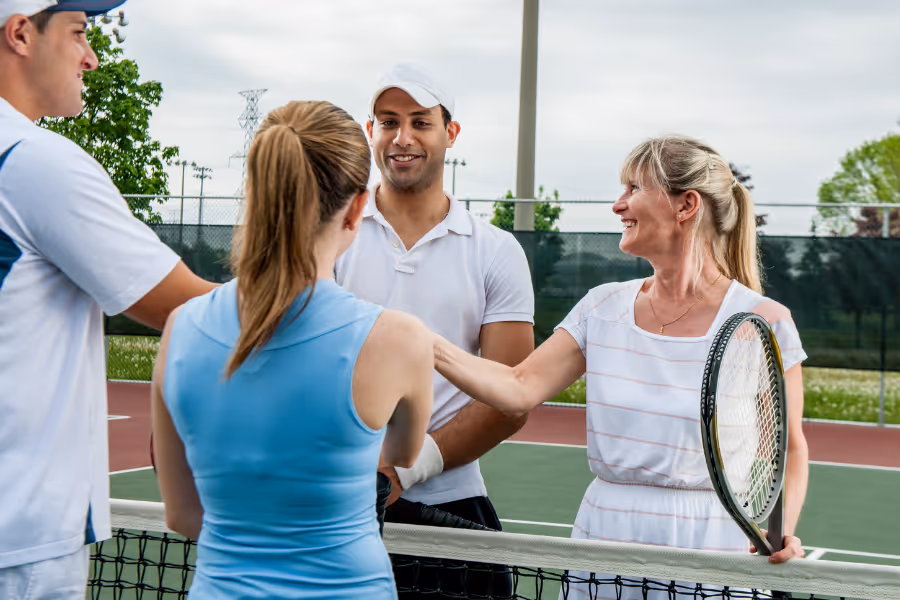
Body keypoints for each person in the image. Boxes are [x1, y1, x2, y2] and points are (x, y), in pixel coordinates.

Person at [432, 136, 810, 597]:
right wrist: (422, 343)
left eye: (633, 188)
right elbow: (518, 386)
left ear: (685, 205)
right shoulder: (601, 307)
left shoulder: (765, 321)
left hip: (716, 543)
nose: (618, 204)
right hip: (605, 536)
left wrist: (780, 529)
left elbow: (788, 450)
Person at [152, 100, 434, 599]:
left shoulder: (180, 328)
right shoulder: (400, 340)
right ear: (355, 208)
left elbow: (182, 515)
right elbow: (403, 454)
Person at [0, 2, 215, 597]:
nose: (91, 58)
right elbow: (193, 309)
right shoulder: (32, 161)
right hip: (21, 543)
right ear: (21, 32)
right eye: (78, 34)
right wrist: (359, 326)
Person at [335, 63, 535, 597]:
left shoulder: (496, 252)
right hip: (334, 508)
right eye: (388, 122)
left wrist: (408, 468)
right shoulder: (329, 235)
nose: (402, 138)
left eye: (420, 122)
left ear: (451, 133)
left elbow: (511, 397)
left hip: (447, 511)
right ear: (370, 130)